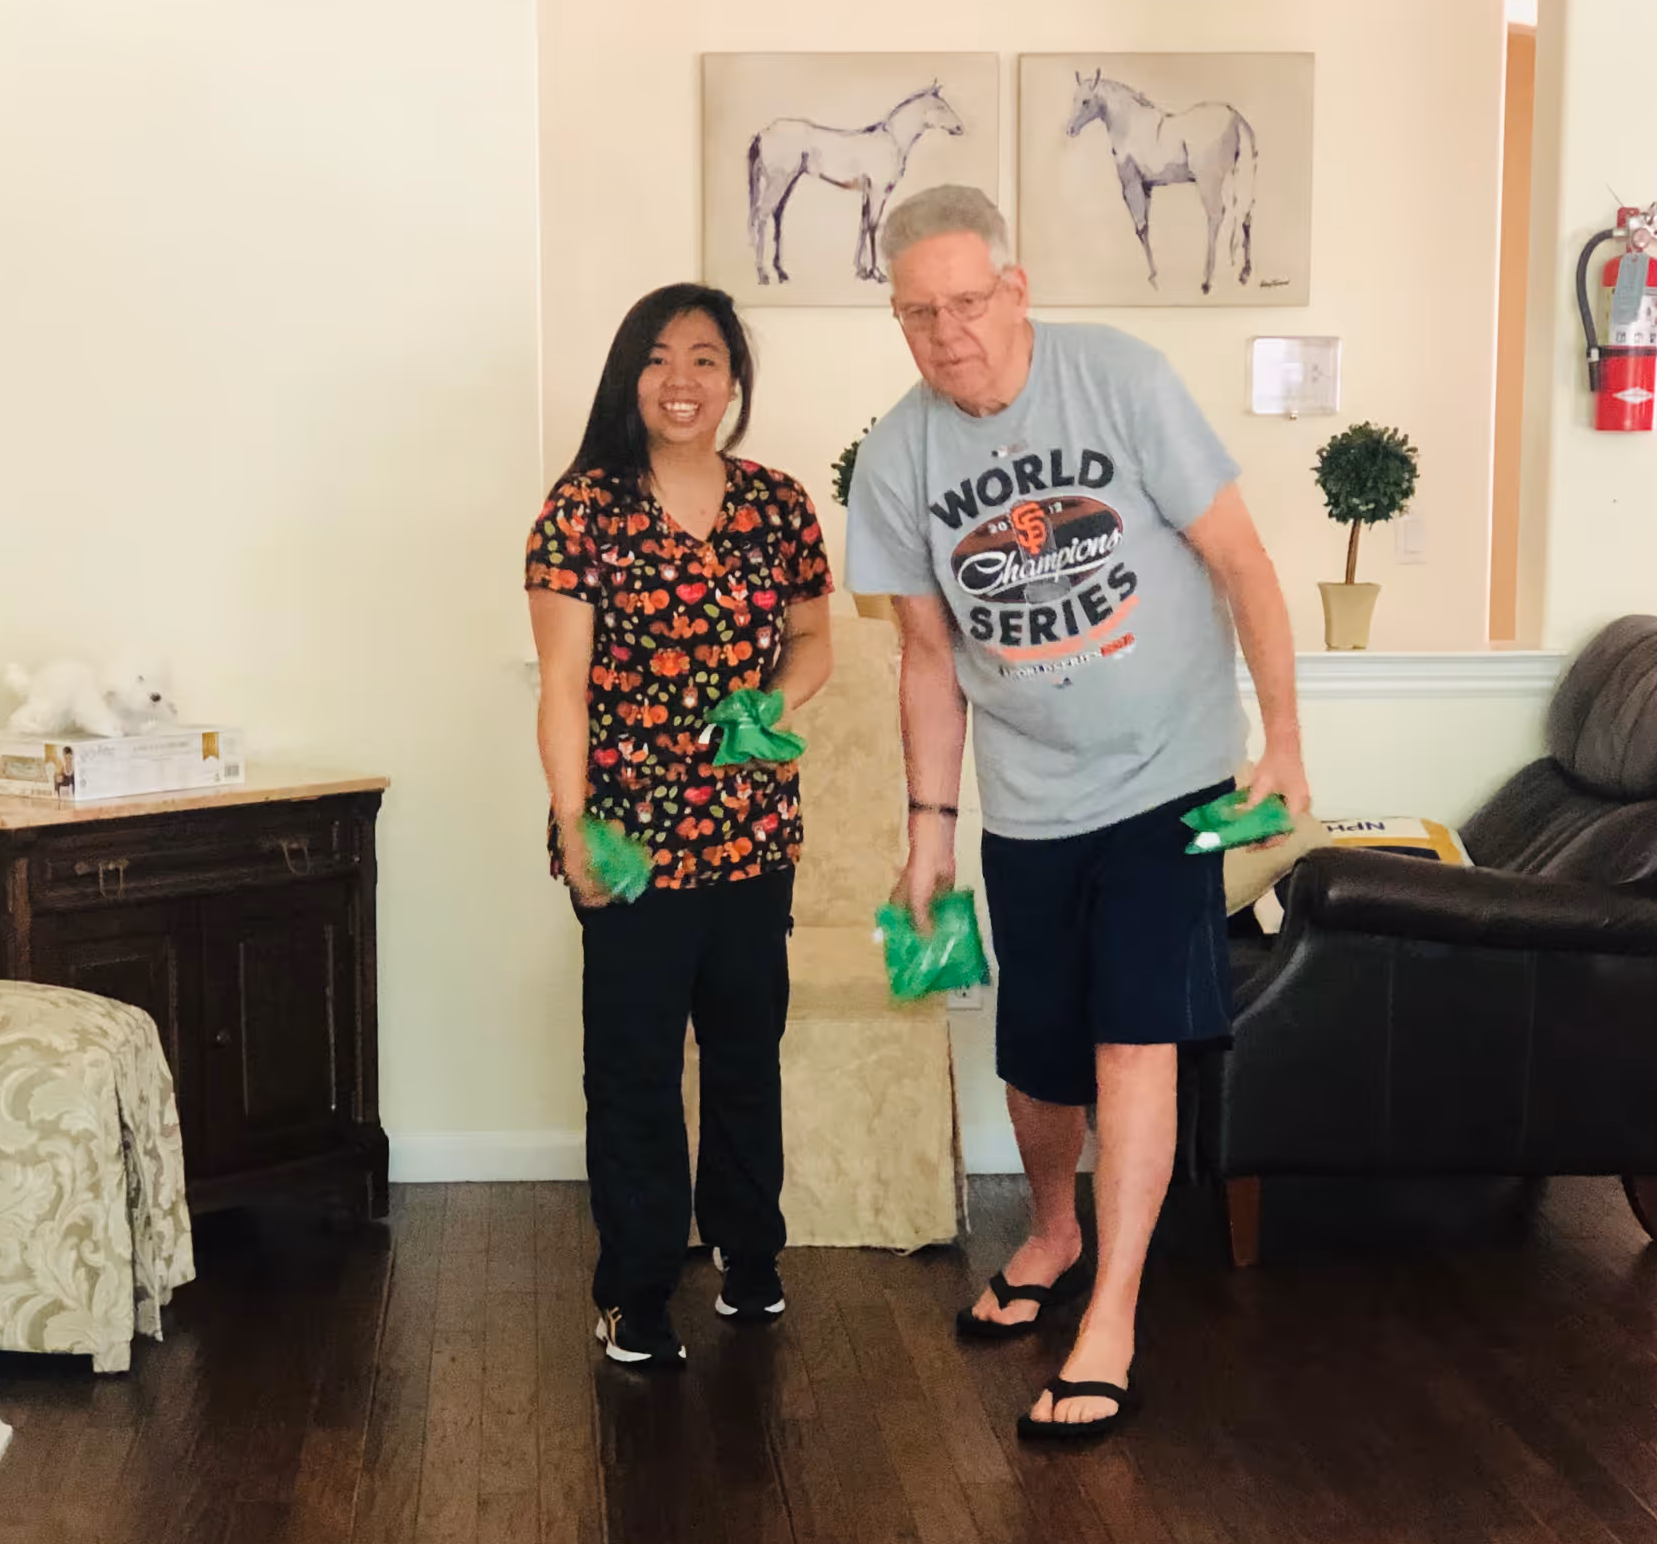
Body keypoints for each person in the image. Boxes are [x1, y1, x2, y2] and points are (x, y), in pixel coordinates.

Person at [844, 186, 1309, 1443]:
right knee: (1038, 1059)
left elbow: (1243, 563)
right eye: (918, 314)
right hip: (1031, 800)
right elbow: (927, 659)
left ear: (1018, 285)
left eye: (967, 303)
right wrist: (930, 828)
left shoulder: (1122, 382)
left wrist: (1286, 741)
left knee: (1133, 1040)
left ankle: (1114, 1314)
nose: (948, 335)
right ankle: (1052, 1230)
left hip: (1172, 780)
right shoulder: (898, 460)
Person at [526, 283, 833, 1368]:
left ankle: (752, 1259)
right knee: (635, 1071)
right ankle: (638, 1289)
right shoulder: (582, 511)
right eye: (659, 358)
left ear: (734, 379)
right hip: (630, 845)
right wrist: (573, 829)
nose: (683, 380)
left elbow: (812, 646)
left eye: (706, 358)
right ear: (629, 376)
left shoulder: (780, 504)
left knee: (747, 1057)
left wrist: (773, 706)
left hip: (752, 834)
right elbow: (562, 685)